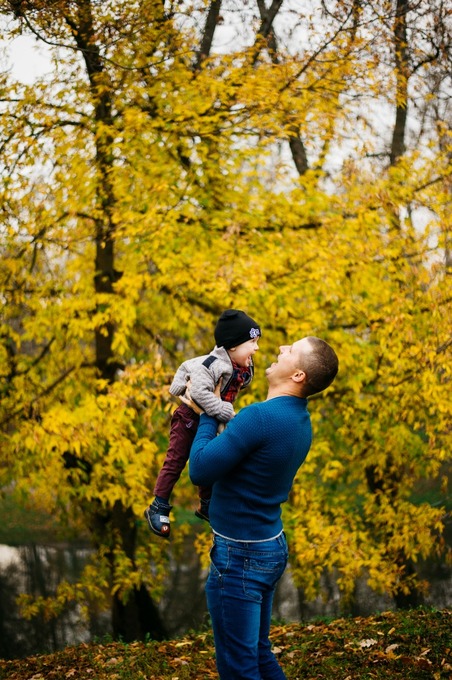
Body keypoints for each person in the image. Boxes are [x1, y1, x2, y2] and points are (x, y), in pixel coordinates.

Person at [188, 336, 339, 680]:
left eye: (291, 350)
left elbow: (200, 469)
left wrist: (207, 411)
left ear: (298, 375)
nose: (282, 349)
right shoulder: (300, 420)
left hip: (240, 556)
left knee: (239, 667)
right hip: (269, 545)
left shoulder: (259, 418)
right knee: (257, 653)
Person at [144, 309, 261, 538]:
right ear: (233, 346)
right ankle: (158, 504)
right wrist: (222, 410)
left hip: (209, 419)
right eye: (252, 343)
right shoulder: (213, 364)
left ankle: (207, 504)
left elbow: (189, 363)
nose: (256, 348)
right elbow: (198, 391)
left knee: (209, 461)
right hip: (188, 418)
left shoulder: (238, 365)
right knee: (176, 460)